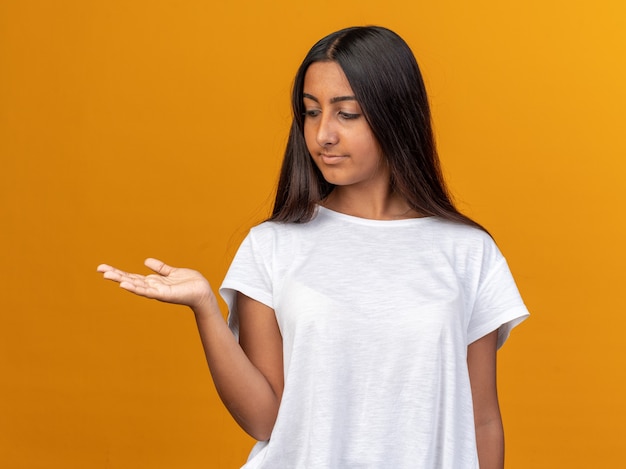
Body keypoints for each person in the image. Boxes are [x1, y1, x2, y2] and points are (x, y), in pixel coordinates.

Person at [97, 26, 529, 469]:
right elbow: (267, 421)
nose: (323, 134)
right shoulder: (272, 247)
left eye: (348, 114)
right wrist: (206, 307)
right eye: (310, 111)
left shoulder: (468, 252)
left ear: (396, 115)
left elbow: (481, 421)